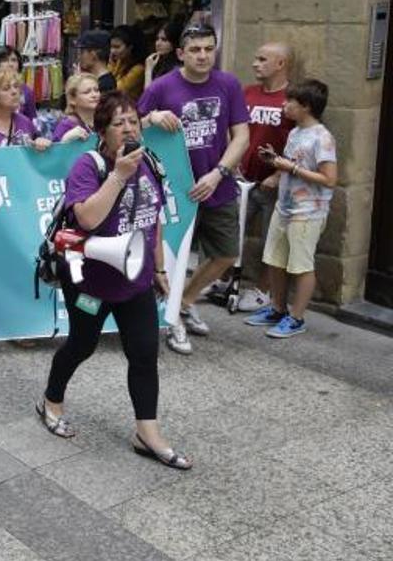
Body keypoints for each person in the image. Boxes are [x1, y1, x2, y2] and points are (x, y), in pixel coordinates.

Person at [38, 92, 192, 471]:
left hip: (134, 279)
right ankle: (51, 401)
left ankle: (147, 433)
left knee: (144, 353)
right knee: (81, 344)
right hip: (90, 281)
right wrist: (120, 175)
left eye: (133, 122)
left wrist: (157, 269)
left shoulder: (148, 162)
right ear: (101, 132)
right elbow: (87, 219)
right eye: (118, 123)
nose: (128, 129)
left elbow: (151, 219)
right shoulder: (87, 167)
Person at [140, 23, 250, 355]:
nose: (203, 55)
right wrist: (152, 118)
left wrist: (219, 173)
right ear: (181, 54)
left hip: (216, 183)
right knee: (170, 258)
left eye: (208, 48)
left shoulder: (228, 84)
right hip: (174, 190)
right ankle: (170, 319)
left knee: (227, 253)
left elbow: (242, 136)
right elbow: (130, 128)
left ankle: (185, 300)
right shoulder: (161, 87)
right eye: (195, 49)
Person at [243, 80, 336, 338]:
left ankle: (296, 318)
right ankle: (277, 308)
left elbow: (329, 178)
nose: (284, 105)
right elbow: (293, 163)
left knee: (301, 265)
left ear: (305, 106)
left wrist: (290, 168)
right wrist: (276, 160)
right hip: (285, 207)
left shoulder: (322, 137)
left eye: (289, 102)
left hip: (308, 212)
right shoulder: (295, 133)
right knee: (275, 259)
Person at [235, 43, 295, 313]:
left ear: (280, 63)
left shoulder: (293, 99)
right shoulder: (246, 93)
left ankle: (263, 291)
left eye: (262, 59)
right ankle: (222, 280)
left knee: (272, 241)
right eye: (255, 58)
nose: (255, 64)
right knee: (228, 233)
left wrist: (280, 173)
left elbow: (304, 140)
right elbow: (233, 130)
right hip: (242, 179)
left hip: (274, 185)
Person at [52, 73, 101, 143]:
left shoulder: (102, 120)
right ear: (72, 99)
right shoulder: (66, 125)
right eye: (87, 92)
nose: (94, 95)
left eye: (96, 90)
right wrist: (65, 139)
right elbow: (56, 152)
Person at [109, 25, 147, 100]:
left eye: (117, 47)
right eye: (111, 47)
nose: (112, 51)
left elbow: (114, 89)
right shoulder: (119, 61)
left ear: (130, 47)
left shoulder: (139, 69)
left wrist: (111, 64)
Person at [75, 29, 117, 94]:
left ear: (93, 54)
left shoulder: (105, 86)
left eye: (82, 52)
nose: (79, 57)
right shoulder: (99, 81)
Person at [145, 21, 184, 89]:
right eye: (157, 39)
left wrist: (148, 70)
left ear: (174, 42)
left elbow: (149, 96)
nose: (158, 44)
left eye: (164, 40)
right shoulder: (160, 62)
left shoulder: (175, 70)